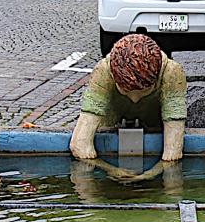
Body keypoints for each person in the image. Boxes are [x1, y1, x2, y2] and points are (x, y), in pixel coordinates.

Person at [70, 34, 188, 168]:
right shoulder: (104, 71)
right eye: (126, 91)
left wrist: (147, 176)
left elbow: (173, 153)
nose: (134, 98)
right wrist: (113, 171)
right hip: (110, 121)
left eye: (144, 91)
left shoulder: (171, 72)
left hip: (156, 122)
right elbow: (79, 144)